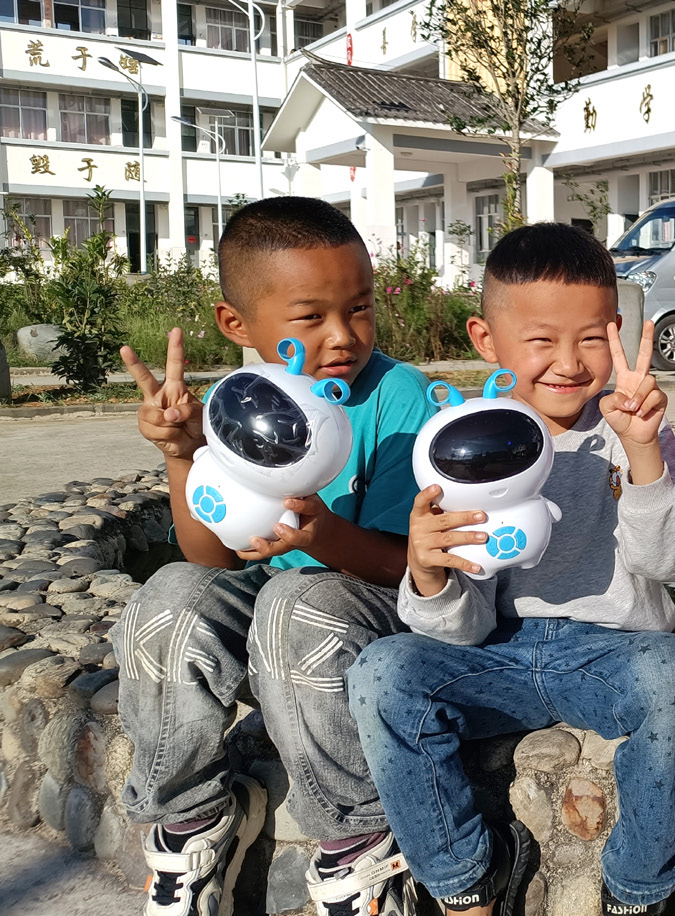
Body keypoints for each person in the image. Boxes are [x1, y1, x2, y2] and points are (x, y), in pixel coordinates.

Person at [349, 222, 675, 916]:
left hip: (614, 650)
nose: (568, 363)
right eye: (541, 340)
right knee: (383, 672)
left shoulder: (632, 424)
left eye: (591, 338)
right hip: (495, 653)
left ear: (615, 331)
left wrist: (643, 452)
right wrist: (429, 572)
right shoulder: (464, 442)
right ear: (486, 340)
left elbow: (666, 560)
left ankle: (638, 887)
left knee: (674, 677)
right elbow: (458, 631)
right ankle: (463, 883)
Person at [111, 197, 435, 916]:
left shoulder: (398, 397)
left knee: (296, 601)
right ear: (237, 325)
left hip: (363, 607)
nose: (343, 336)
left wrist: (320, 535)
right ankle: (190, 825)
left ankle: (357, 845)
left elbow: (407, 567)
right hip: (273, 605)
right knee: (167, 597)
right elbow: (213, 560)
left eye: (359, 308)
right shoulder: (242, 404)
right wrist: (183, 455)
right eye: (310, 316)